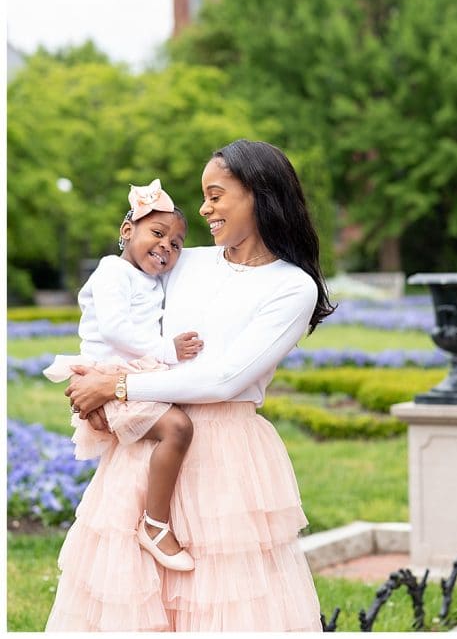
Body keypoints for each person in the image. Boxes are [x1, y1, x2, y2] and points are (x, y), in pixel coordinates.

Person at [47, 139, 335, 632]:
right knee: (132, 600)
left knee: (220, 604)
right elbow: (123, 319)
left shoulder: (292, 287)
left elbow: (224, 379)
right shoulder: (186, 261)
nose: (204, 208)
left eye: (216, 195)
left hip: (222, 455)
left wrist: (114, 388)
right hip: (147, 445)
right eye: (205, 196)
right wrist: (93, 377)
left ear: (259, 194)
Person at [43, 179, 203, 572]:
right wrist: (168, 350)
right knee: (177, 428)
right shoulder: (112, 271)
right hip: (110, 376)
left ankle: (149, 522)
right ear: (127, 232)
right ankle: (155, 525)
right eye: (158, 233)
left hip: (129, 374)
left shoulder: (149, 279)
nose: (167, 246)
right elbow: (114, 329)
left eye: (177, 244)